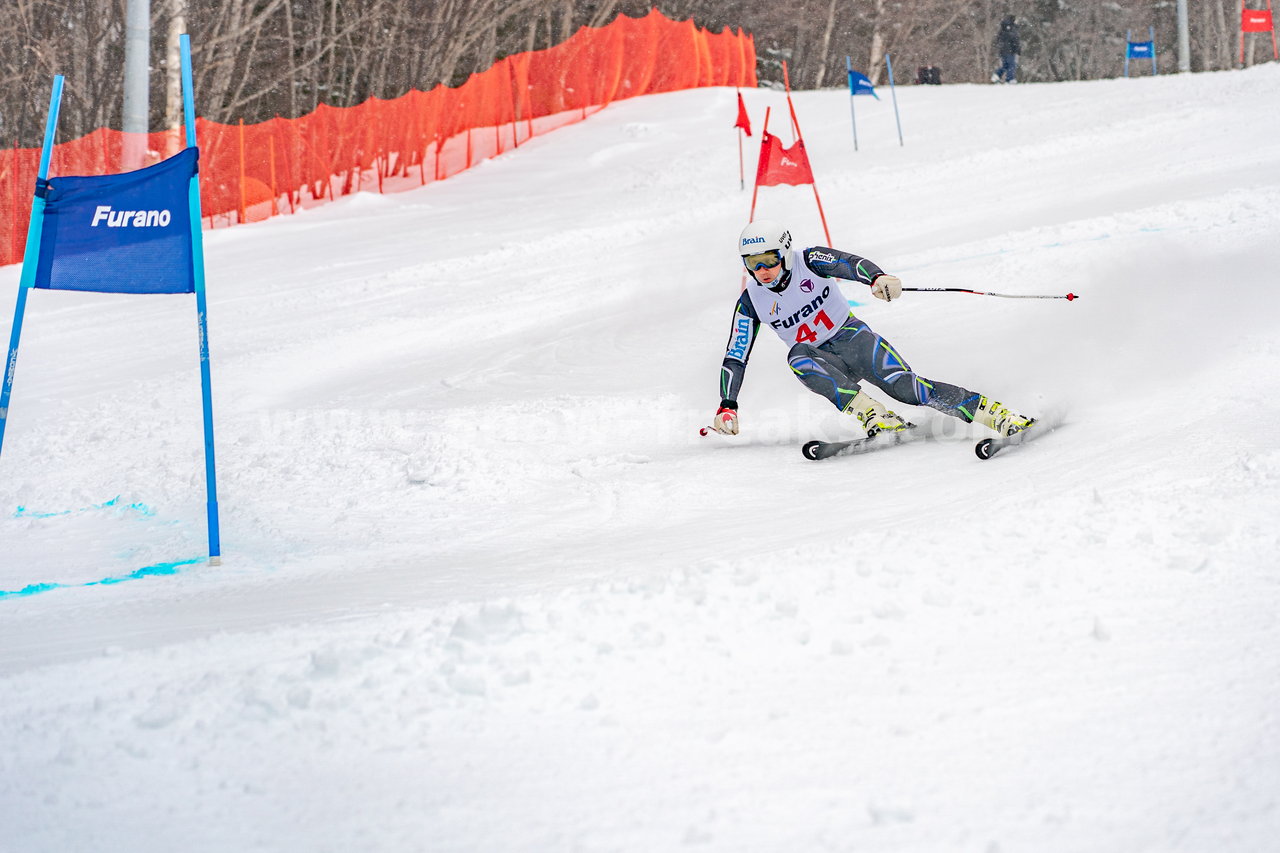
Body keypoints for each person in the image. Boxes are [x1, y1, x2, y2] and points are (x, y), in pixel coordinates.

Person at [709, 219, 1034, 441]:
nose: (762, 271)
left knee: (909, 389)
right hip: (822, 361)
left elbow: (849, 263)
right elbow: (735, 356)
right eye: (752, 264)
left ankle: (994, 414)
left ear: (784, 251)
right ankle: (875, 415)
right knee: (797, 356)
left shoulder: (809, 260)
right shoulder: (751, 301)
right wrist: (728, 404)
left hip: (853, 340)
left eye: (768, 260)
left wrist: (876, 278)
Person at [992, 15, 1021, 83]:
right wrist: (1017, 50)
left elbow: (998, 39)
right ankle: (1010, 79)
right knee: (1012, 65)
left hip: (1002, 50)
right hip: (1010, 50)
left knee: (1005, 65)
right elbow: (1015, 40)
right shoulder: (1012, 28)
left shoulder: (1003, 28)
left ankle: (997, 75)